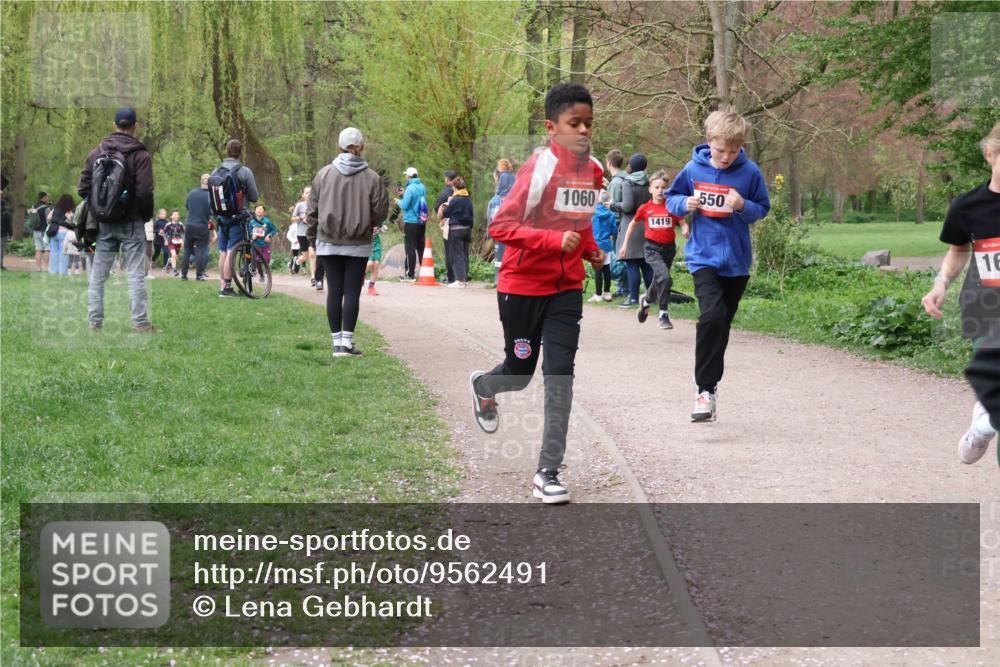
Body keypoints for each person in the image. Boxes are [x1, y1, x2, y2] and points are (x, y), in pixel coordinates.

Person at [469, 82, 606, 505]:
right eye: (574, 124)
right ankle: (484, 387)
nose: (583, 131)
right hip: (522, 286)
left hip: (566, 289)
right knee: (520, 371)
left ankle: (548, 471)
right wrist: (552, 242)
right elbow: (500, 228)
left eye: (588, 123)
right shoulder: (538, 169)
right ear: (552, 127)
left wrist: (590, 252)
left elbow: (578, 224)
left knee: (560, 374)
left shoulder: (594, 172)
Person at [667, 109, 771, 422]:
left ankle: (710, 386)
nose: (725, 157)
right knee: (711, 316)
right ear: (709, 141)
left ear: (741, 147)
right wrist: (683, 204)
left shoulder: (749, 172)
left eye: (733, 151)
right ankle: (704, 391)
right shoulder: (692, 168)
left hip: (737, 262)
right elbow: (672, 197)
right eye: (720, 149)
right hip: (703, 256)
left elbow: (762, 207)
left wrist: (742, 206)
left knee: (721, 324)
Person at [921, 120, 1000, 466]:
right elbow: (958, 252)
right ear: (990, 154)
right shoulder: (968, 207)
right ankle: (985, 418)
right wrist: (940, 284)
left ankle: (985, 419)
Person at [307, 127, 389, 357]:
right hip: (359, 243)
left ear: (339, 146)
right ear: (361, 147)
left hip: (328, 241)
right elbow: (381, 210)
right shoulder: (372, 178)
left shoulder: (323, 175)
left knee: (335, 290)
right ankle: (347, 342)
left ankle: (336, 344)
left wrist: (312, 238)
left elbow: (312, 210)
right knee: (352, 292)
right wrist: (369, 222)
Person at [78, 107, 156, 332]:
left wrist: (99, 208)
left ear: (114, 125)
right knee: (135, 274)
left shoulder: (97, 151)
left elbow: (83, 187)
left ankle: (94, 323)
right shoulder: (140, 155)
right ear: (135, 126)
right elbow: (144, 192)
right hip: (132, 221)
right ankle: (140, 324)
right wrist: (144, 215)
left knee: (98, 275)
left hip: (105, 223)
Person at [621, 170, 689, 329]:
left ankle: (646, 300)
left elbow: (683, 221)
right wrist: (625, 244)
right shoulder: (645, 208)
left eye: (664, 187)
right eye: (657, 187)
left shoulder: (671, 206)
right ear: (650, 189)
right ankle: (663, 314)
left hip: (669, 248)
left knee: (659, 279)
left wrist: (685, 229)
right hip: (651, 248)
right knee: (665, 278)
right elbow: (632, 224)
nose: (660, 191)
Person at [214, 138, 259, 297]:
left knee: (223, 251)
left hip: (221, 217)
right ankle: (227, 288)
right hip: (238, 217)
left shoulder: (216, 170)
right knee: (232, 250)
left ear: (226, 151)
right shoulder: (244, 171)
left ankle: (222, 284)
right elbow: (253, 196)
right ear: (240, 153)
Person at [612, 153, 653, 307]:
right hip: (648, 226)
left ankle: (633, 298)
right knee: (646, 264)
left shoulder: (628, 182)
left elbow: (628, 206)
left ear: (633, 166)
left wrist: (614, 204)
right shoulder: (650, 182)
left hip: (632, 226)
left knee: (632, 264)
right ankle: (651, 298)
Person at [486, 159, 516, 285]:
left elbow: (500, 190)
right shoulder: (513, 177)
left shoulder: (503, 176)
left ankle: (489, 232)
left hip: (502, 202)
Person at [442, 175, 474, 288]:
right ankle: (464, 278)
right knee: (464, 254)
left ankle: (459, 280)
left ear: (455, 188)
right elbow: (471, 214)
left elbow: (446, 214)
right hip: (467, 229)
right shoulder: (468, 199)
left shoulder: (455, 200)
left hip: (456, 229)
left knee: (457, 255)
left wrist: (448, 203)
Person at [604, 150, 628, 297]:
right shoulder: (625, 179)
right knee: (624, 256)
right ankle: (624, 288)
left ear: (609, 164)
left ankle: (624, 289)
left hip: (617, 225)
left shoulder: (615, 183)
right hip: (625, 223)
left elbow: (612, 207)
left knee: (620, 258)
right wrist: (608, 185)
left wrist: (611, 231)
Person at [397, 167, 427, 282]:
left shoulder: (410, 188)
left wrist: (398, 200)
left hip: (411, 222)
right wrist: (404, 194)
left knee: (410, 248)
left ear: (409, 177)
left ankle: (410, 274)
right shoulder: (422, 187)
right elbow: (417, 201)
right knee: (420, 247)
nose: (406, 177)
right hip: (421, 221)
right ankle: (425, 272)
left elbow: (404, 206)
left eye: (406, 175)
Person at [181, 174, 213, 281]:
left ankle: (184, 275)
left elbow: (187, 207)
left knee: (187, 250)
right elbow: (213, 212)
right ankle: (199, 275)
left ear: (201, 181)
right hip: (202, 225)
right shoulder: (211, 196)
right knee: (200, 250)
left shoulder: (192, 193)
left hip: (190, 225)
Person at [588, 190, 617, 302]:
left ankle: (598, 295)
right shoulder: (611, 214)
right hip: (606, 244)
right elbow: (614, 230)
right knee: (606, 269)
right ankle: (607, 293)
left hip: (595, 244)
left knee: (598, 270)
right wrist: (613, 236)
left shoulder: (592, 212)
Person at [435, 170, 457, 283]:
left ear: (447, 179)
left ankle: (451, 277)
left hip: (449, 225)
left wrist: (442, 218)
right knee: (460, 252)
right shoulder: (463, 191)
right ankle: (462, 276)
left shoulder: (445, 193)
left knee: (449, 251)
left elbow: (437, 206)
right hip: (462, 225)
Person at [46, 194, 76, 275]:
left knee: (54, 252)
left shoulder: (55, 209)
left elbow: (48, 218)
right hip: (64, 233)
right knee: (64, 254)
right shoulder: (69, 211)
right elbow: (72, 221)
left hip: (54, 232)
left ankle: (52, 271)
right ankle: (63, 272)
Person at [290, 187, 313, 279]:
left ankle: (314, 276)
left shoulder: (316, 205)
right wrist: (300, 217)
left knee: (313, 254)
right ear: (303, 195)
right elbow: (292, 219)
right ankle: (296, 262)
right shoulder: (300, 205)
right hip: (302, 234)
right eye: (307, 193)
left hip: (313, 234)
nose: (309, 194)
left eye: (311, 192)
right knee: (305, 256)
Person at [28, 192, 50, 271]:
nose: (48, 199)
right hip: (44, 231)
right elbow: (48, 220)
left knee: (38, 249)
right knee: (47, 249)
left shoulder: (34, 207)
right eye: (47, 197)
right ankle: (46, 267)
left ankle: (38, 267)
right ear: (43, 198)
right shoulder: (46, 208)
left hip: (36, 230)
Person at [365, 223, 386, 296]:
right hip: (366, 243)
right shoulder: (364, 215)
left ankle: (371, 287)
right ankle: (360, 275)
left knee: (376, 263)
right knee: (370, 263)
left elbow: (383, 226)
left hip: (376, 244)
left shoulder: (377, 215)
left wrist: (383, 228)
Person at [162, 209, 185, 276]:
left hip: (178, 242)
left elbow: (183, 233)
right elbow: (164, 233)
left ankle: (169, 262)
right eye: (175, 215)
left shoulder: (180, 224)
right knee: (174, 255)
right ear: (171, 217)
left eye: (177, 215)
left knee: (175, 257)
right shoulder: (168, 224)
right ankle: (174, 271)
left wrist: (183, 241)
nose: (176, 216)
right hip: (170, 241)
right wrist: (165, 240)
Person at [0, 190, 11, 270]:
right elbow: (9, 225)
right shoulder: (6, 213)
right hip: (3, 234)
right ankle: (0, 264)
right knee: (1, 249)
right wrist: (11, 234)